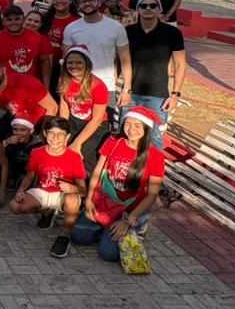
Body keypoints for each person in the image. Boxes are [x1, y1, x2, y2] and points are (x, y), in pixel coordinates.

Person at [71, 106, 166, 263]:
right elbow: (97, 172)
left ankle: (135, 227)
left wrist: (129, 219)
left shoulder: (155, 156)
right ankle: (106, 229)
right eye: (127, 124)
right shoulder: (113, 142)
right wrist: (89, 199)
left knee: (108, 254)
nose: (131, 129)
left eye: (137, 125)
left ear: (146, 129)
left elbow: (152, 194)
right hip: (104, 202)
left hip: (128, 211)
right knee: (78, 237)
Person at [10, 117, 86, 248]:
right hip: (43, 192)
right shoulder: (37, 152)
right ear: (45, 134)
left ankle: (65, 235)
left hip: (62, 195)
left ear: (67, 137)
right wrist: (21, 191)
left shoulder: (74, 157)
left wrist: (72, 188)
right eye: (51, 133)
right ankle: (47, 212)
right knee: (14, 206)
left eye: (60, 134)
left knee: (72, 199)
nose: (55, 138)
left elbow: (83, 190)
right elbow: (29, 176)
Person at [125, 0, 185, 148]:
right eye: (143, 6)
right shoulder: (128, 32)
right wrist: (124, 90)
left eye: (153, 5)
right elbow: (121, 62)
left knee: (154, 138)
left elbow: (180, 65)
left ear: (160, 9)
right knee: (127, 135)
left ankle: (154, 165)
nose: (148, 8)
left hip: (158, 95)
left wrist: (175, 95)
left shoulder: (172, 33)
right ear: (138, 9)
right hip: (131, 93)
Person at [61, 0, 131, 102]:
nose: (87, 3)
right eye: (83, 2)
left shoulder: (116, 27)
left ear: (99, 3)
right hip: (78, 84)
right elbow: (65, 59)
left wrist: (127, 89)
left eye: (91, 0)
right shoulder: (71, 28)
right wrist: (65, 82)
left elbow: (125, 60)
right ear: (79, 5)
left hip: (107, 85)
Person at [56, 46, 109, 170]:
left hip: (95, 125)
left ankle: (88, 179)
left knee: (83, 151)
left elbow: (97, 119)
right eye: (70, 62)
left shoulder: (98, 86)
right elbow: (64, 108)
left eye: (78, 62)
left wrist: (77, 143)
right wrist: (62, 131)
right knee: (60, 145)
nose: (74, 66)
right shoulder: (63, 80)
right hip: (73, 121)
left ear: (87, 64)